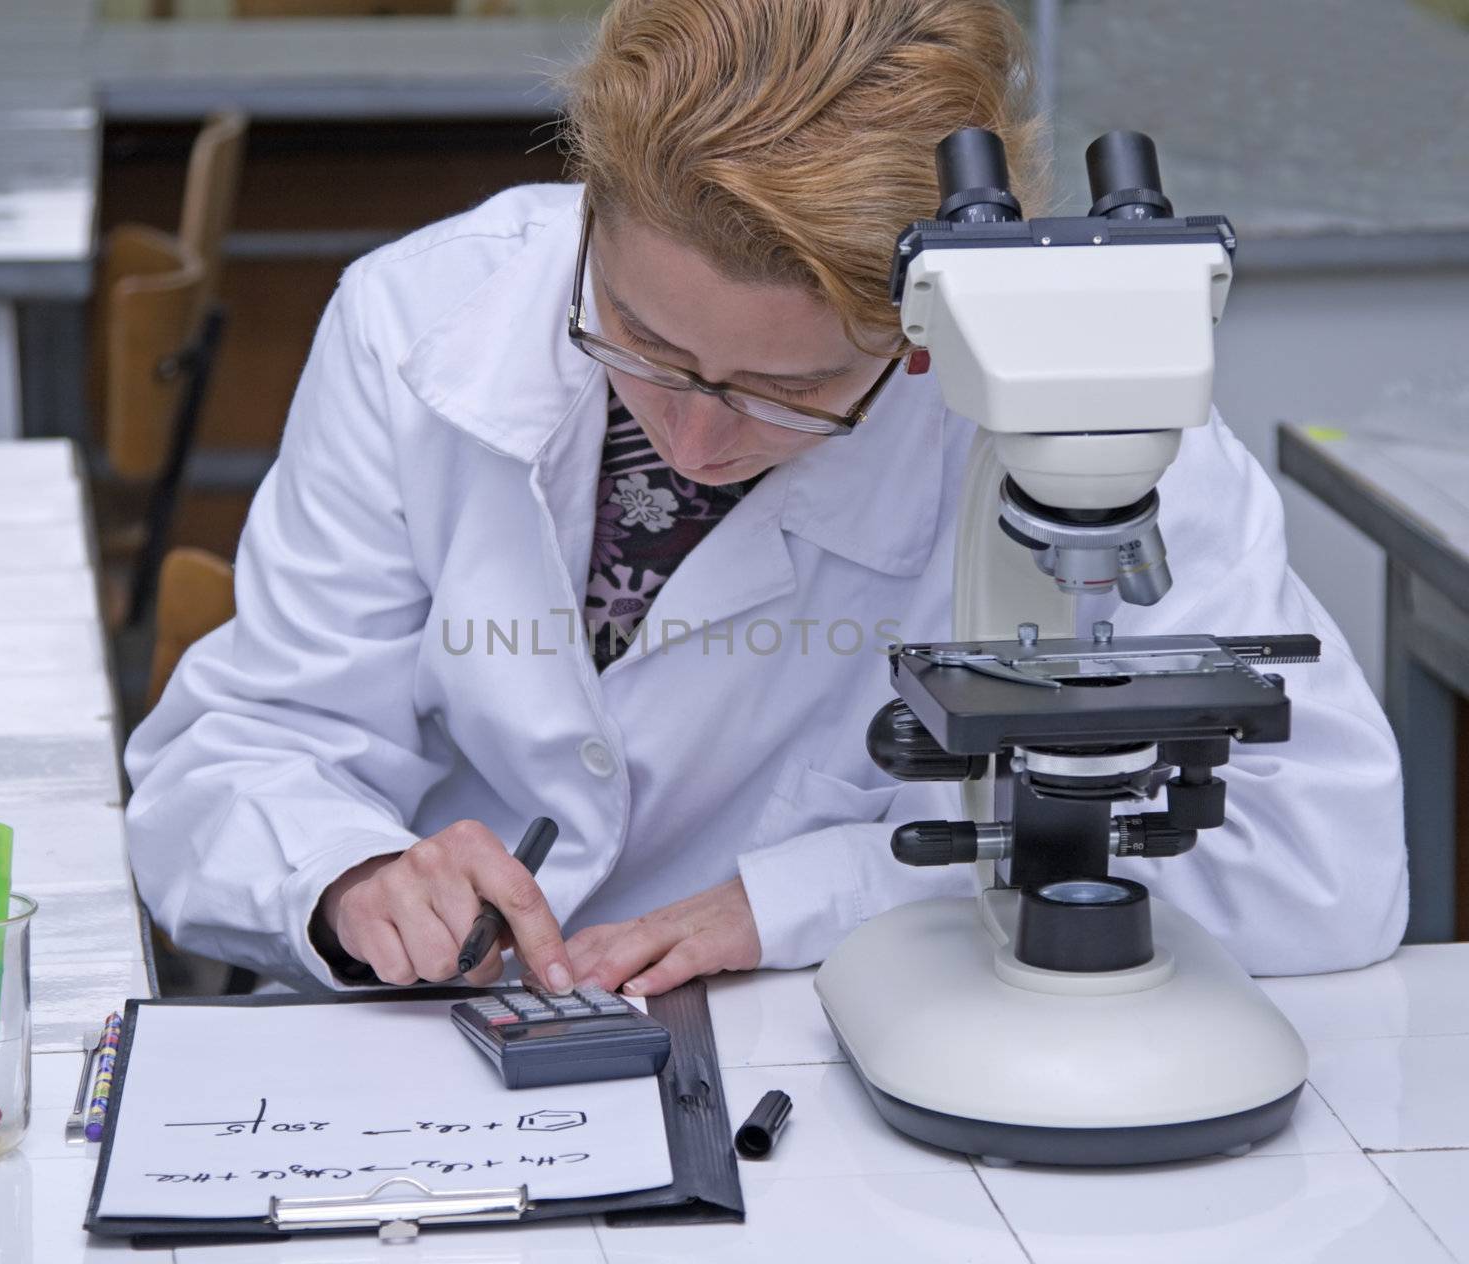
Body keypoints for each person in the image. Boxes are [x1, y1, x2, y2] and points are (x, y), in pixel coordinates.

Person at [124, 0, 1407, 996]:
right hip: (451, 1045)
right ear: (590, 216)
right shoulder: (422, 324)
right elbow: (242, 754)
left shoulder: (1081, 404)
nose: (688, 433)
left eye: (783, 391)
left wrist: (821, 893)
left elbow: (1319, 871)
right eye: (633, 341)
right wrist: (347, 878)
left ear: (922, 330)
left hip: (833, 1042)